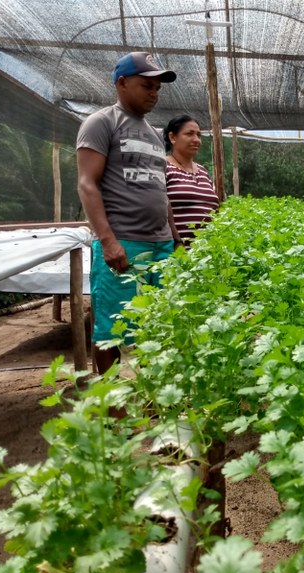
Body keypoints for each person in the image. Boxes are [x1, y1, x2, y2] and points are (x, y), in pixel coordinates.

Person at [76, 52, 180, 374]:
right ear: (122, 83)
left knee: (157, 324)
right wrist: (107, 241)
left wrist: (175, 240)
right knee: (111, 328)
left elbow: (162, 193)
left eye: (157, 88)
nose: (154, 93)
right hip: (124, 243)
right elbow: (87, 184)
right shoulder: (102, 123)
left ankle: (152, 399)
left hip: (161, 245)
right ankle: (112, 410)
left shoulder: (152, 133)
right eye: (146, 85)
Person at [163, 115, 219, 241]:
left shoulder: (203, 171)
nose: (196, 140)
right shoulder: (163, 167)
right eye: (189, 134)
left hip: (208, 253)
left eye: (199, 135)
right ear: (172, 137)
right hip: (177, 252)